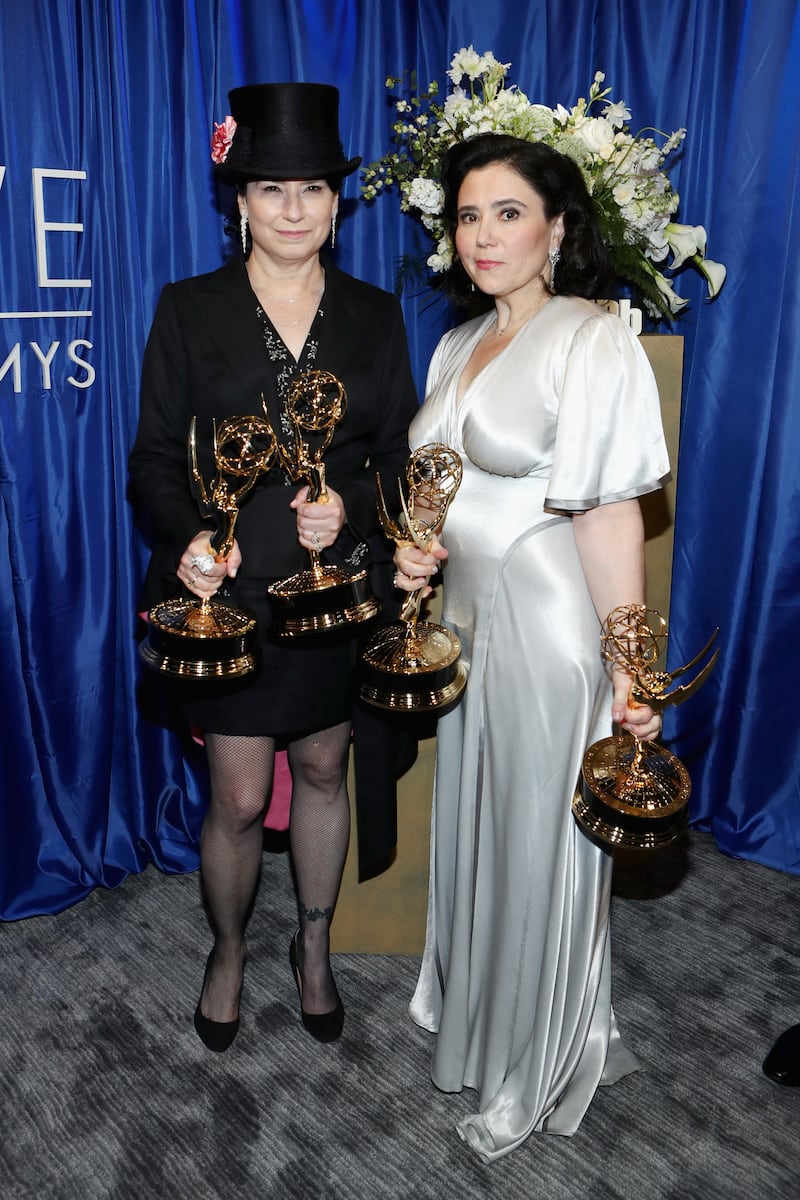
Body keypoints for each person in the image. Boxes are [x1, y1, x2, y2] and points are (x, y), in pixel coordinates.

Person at [394, 133, 670, 1160]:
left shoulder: (589, 337)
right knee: (482, 827)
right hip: (467, 626)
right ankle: (478, 1017)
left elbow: (606, 519)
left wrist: (629, 670)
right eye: (467, 216)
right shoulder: (457, 342)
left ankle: (536, 1057)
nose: (482, 235)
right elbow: (443, 486)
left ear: (557, 227)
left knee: (541, 843)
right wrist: (418, 555)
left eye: (507, 212)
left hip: (549, 633)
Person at [129, 83, 418, 1051]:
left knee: (327, 769)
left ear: (339, 205)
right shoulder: (190, 308)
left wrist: (363, 516)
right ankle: (224, 950)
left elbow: (396, 463)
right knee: (243, 797)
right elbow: (155, 459)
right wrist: (190, 539)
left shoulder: (375, 317)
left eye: (312, 190)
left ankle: (314, 946)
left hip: (333, 596)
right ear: (238, 203)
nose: (293, 209)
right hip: (230, 596)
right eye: (269, 189)